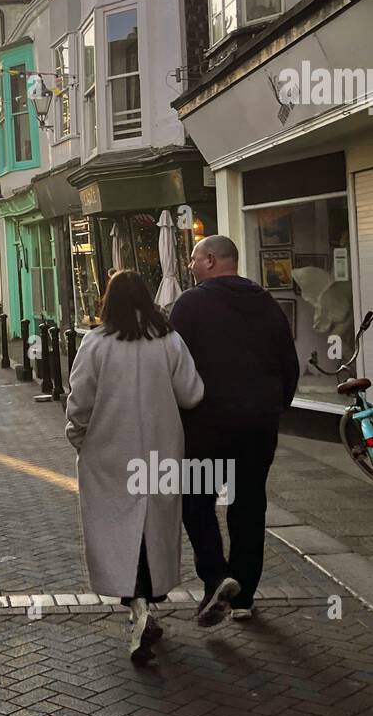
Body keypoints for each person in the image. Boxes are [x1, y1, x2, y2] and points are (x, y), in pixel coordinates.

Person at [65, 271, 204, 665]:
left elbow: (80, 401)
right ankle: (146, 602)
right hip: (160, 451)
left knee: (118, 527)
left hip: (109, 452)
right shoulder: (169, 340)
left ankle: (137, 605)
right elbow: (192, 394)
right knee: (153, 527)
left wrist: (78, 437)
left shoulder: (96, 343)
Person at [170, 234, 300, 626]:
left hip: (207, 425)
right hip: (259, 425)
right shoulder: (267, 303)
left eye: (194, 259)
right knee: (248, 505)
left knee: (195, 500)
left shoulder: (190, 304)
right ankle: (243, 595)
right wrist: (275, 407)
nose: (191, 266)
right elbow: (288, 365)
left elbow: (175, 366)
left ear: (210, 260)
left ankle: (216, 576)